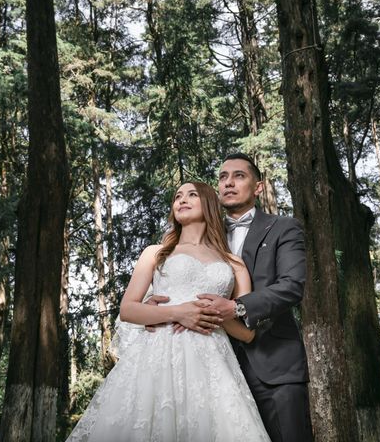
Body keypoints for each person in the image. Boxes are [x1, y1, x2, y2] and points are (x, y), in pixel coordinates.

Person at [66, 181, 270, 441]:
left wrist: (214, 315)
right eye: (177, 196)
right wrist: (178, 312)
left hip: (212, 362)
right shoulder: (157, 253)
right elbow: (128, 309)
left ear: (209, 203)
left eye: (192, 195)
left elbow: (246, 334)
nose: (181, 200)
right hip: (158, 354)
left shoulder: (234, 263)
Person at [194, 153, 313, 442]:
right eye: (223, 177)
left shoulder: (284, 227)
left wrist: (236, 307)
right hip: (215, 368)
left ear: (258, 187)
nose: (228, 183)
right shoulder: (203, 235)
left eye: (239, 176)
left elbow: (292, 286)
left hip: (275, 366)